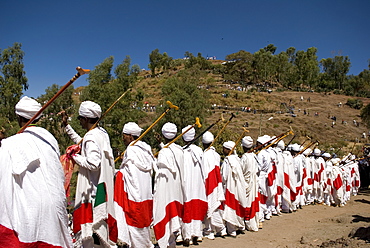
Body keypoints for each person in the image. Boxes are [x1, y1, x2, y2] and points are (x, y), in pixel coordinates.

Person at [0, 96, 72, 247]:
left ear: (19, 117)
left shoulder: (9, 145)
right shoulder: (50, 140)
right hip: (53, 208)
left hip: (28, 210)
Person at [61, 101, 117, 247]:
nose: (79, 121)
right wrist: (67, 127)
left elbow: (93, 163)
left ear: (85, 119)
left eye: (80, 118)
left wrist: (73, 156)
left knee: (93, 236)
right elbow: (83, 141)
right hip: (102, 191)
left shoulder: (92, 137)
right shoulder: (101, 133)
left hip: (93, 193)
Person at [114, 122, 155, 248]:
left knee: (135, 225)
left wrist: (115, 171)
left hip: (134, 196)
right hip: (146, 195)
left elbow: (130, 174)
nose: (123, 138)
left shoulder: (131, 150)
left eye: (124, 136)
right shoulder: (146, 149)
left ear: (131, 136)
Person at [152, 122, 184, 248]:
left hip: (167, 188)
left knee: (166, 214)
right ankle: (171, 242)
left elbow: (161, 170)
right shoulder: (179, 150)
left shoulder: (164, 152)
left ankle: (166, 242)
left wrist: (152, 161)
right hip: (177, 188)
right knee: (174, 215)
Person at [181, 125, 207, 246]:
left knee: (188, 207)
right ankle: (196, 233)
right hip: (197, 185)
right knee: (194, 207)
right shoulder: (199, 151)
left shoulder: (182, 152)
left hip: (187, 183)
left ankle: (188, 235)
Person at [202, 131, 226, 240]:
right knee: (214, 206)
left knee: (210, 206)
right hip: (216, 183)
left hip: (209, 183)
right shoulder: (216, 155)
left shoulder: (204, 155)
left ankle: (212, 230)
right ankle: (217, 229)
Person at [221, 141, 247, 237]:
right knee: (238, 204)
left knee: (230, 206)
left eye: (224, 148)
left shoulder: (228, 161)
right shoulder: (237, 159)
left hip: (230, 187)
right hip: (238, 187)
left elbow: (224, 176)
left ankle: (232, 230)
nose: (223, 150)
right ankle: (240, 226)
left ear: (228, 150)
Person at [240, 136, 260, 232]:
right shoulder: (253, 156)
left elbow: (241, 171)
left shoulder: (245, 157)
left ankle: (247, 222)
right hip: (252, 182)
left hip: (246, 183)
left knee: (246, 202)